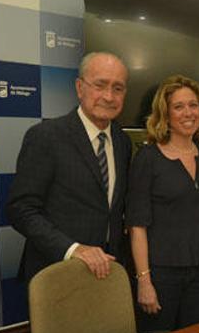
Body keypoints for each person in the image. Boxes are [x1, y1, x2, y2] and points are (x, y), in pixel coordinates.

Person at [7, 52, 132, 282]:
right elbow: (20, 209)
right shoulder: (46, 136)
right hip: (56, 271)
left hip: (108, 271)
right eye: (100, 85)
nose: (108, 96)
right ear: (79, 87)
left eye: (118, 88)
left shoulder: (122, 142)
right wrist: (73, 249)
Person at [127, 75, 199, 333]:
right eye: (179, 106)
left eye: (193, 105)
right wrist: (144, 281)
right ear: (165, 113)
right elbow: (137, 225)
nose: (188, 113)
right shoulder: (148, 158)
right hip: (162, 275)